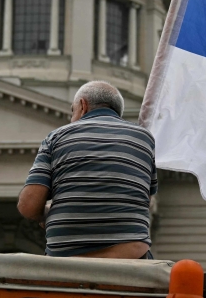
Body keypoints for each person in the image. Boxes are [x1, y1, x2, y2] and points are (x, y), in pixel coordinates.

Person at [17, 80, 157, 258]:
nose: (71, 119)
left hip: (70, 261)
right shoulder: (144, 139)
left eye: (72, 111)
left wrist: (45, 213)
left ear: (83, 106)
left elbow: (28, 206)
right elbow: (145, 199)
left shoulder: (56, 137)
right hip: (129, 257)